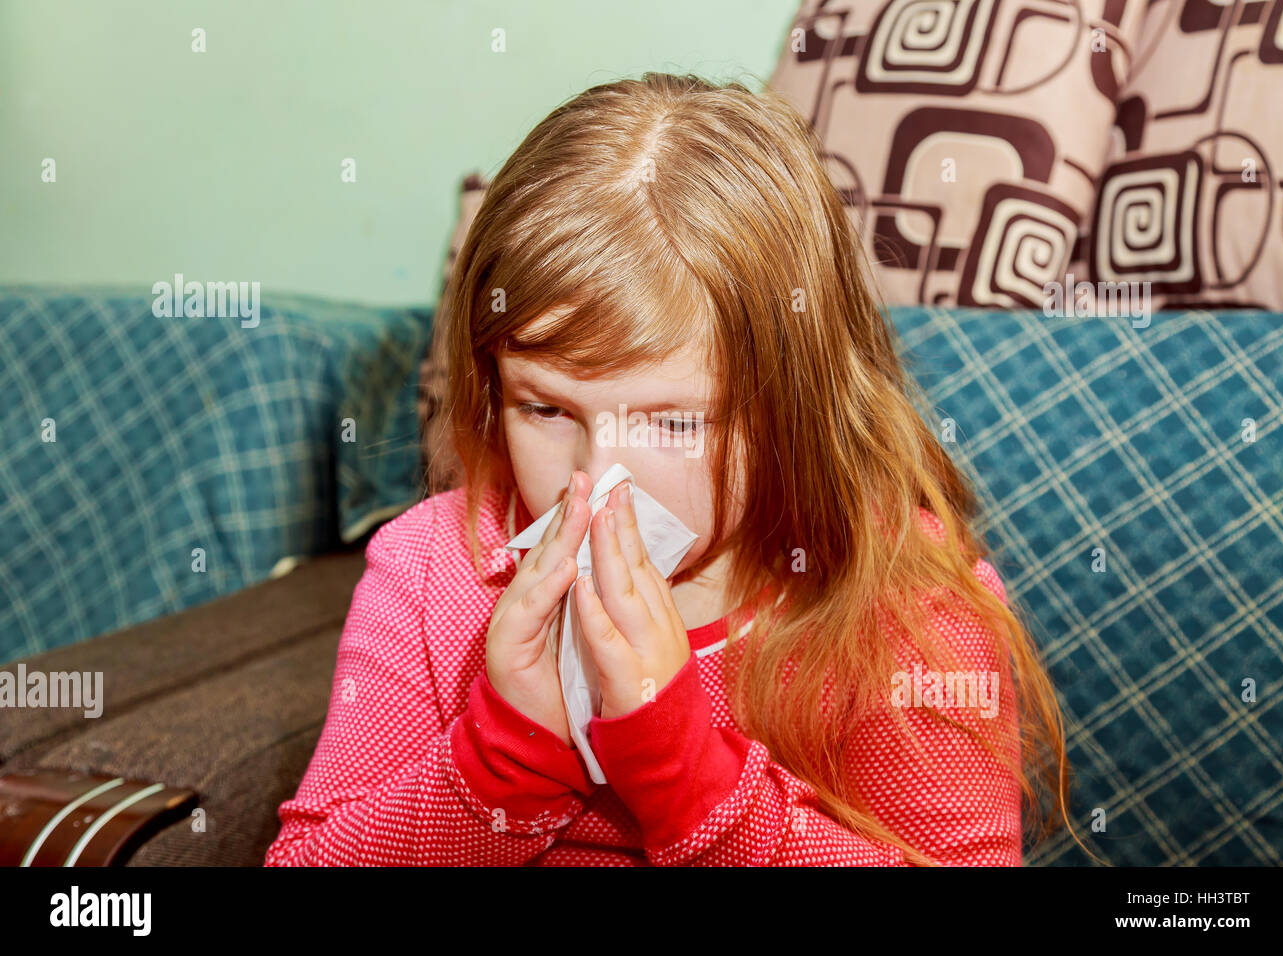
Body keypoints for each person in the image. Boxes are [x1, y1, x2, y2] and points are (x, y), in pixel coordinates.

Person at [265, 71, 1090, 866]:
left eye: (674, 421)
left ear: (791, 406)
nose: (598, 480)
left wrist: (688, 773)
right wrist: (502, 759)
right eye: (547, 410)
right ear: (491, 388)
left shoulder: (903, 607)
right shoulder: (429, 574)